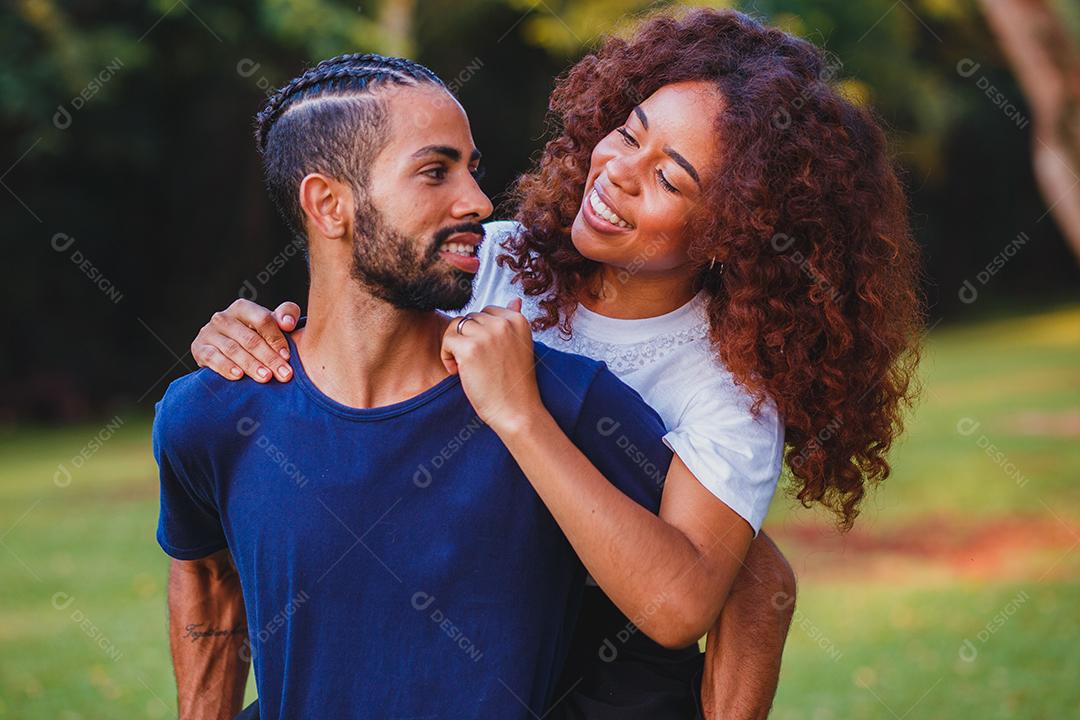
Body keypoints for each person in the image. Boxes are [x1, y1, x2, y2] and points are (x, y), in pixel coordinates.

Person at [189, 8, 923, 719]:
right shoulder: (494, 260)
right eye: (628, 134)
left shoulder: (728, 384)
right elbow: (359, 313)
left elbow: (714, 596)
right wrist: (249, 333)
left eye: (671, 180)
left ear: (737, 231)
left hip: (597, 675)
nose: (618, 173)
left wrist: (521, 415)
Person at [156, 53, 691, 720]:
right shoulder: (210, 414)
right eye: (436, 172)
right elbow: (207, 580)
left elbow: (722, 581)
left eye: (471, 170)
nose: (476, 201)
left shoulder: (558, 400)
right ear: (329, 204)